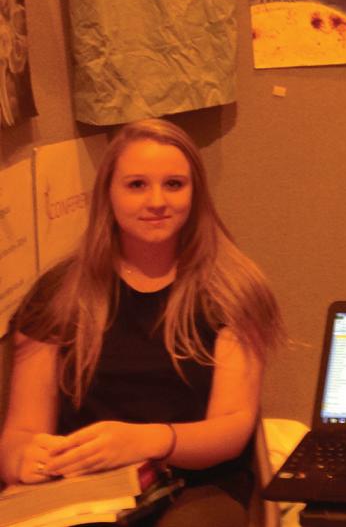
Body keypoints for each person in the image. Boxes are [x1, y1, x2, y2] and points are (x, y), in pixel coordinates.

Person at [0, 119, 285, 526]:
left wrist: (144, 441)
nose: (156, 201)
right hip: (86, 487)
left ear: (196, 193)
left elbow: (231, 429)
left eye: (174, 185)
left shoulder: (232, 289)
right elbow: (21, 431)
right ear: (108, 195)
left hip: (195, 484)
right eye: (136, 185)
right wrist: (23, 458)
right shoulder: (59, 294)